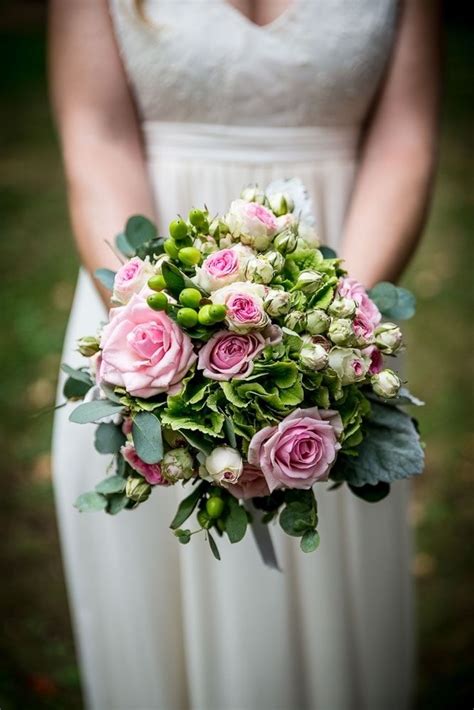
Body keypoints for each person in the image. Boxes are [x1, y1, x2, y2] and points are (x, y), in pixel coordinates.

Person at [49, 1, 440, 708]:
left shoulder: (334, 334)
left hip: (339, 299)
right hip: (145, 297)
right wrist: (163, 350)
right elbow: (96, 133)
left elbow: (404, 137)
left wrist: (329, 336)